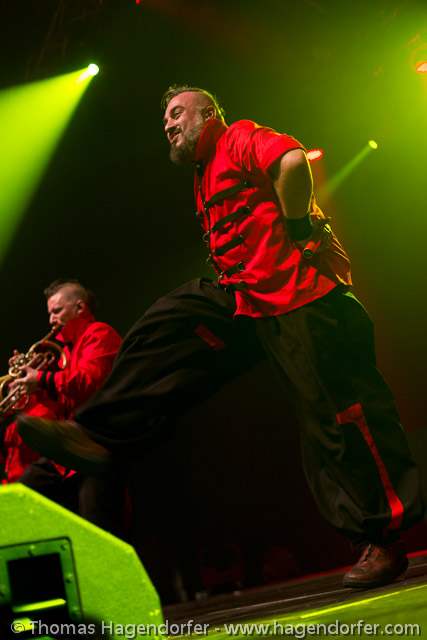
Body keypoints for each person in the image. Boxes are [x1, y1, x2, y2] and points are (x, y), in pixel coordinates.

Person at [18, 87, 424, 589]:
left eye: (176, 114)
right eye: (164, 120)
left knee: (335, 418)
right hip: (247, 301)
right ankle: (97, 433)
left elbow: (292, 162)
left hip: (301, 295)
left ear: (207, 114)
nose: (168, 125)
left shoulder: (236, 137)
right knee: (166, 324)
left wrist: (299, 230)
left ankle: (382, 537)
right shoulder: (203, 171)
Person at [4, 279, 124, 532]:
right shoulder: (66, 355)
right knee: (19, 500)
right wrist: (31, 388)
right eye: (50, 313)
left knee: (95, 527)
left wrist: (42, 379)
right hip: (69, 450)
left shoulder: (99, 333)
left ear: (80, 307)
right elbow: (62, 407)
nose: (51, 320)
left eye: (57, 311)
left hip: (95, 447)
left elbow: (90, 381)